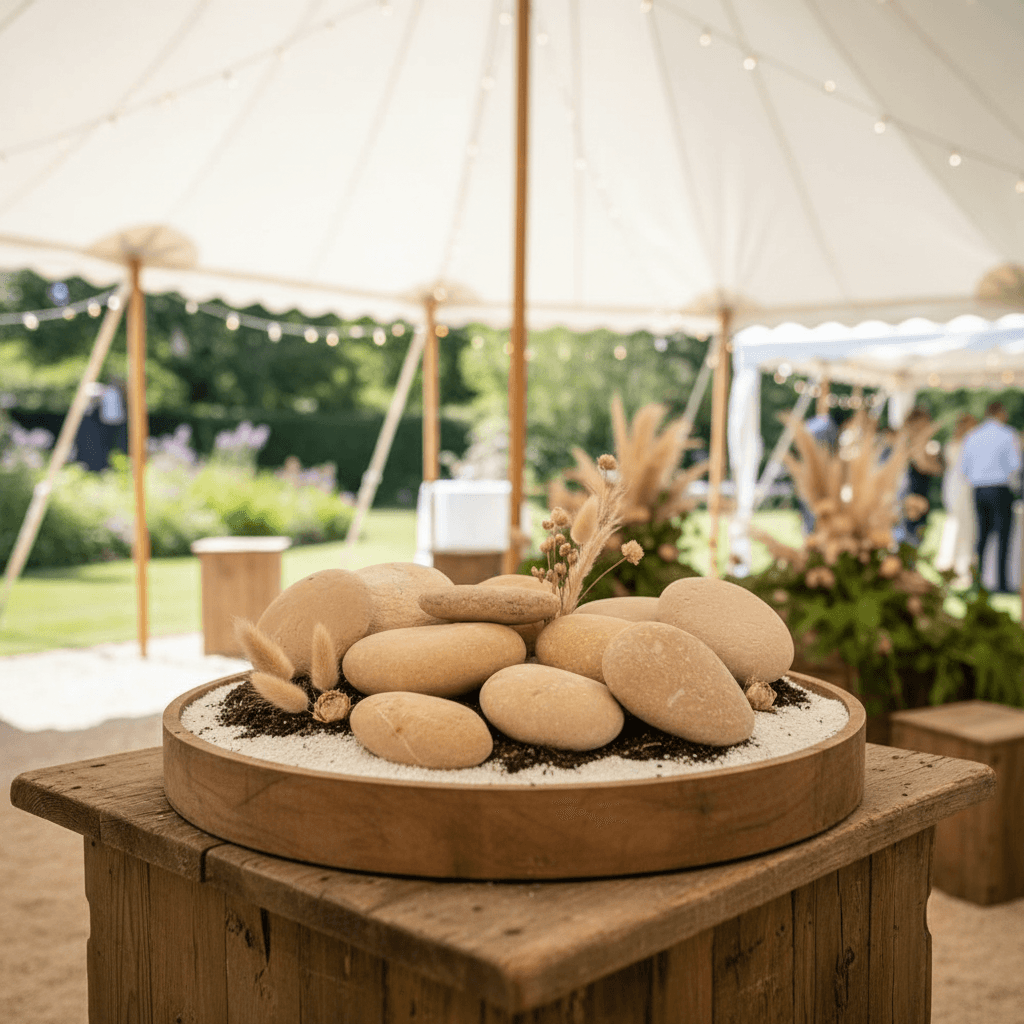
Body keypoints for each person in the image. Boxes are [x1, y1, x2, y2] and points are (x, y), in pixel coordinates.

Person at [959, 401, 1022, 594]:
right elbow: (1016, 465)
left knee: (982, 537)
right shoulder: (1008, 434)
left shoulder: (972, 436)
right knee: (1003, 538)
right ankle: (1001, 584)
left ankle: (977, 581)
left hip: (979, 490)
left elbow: (965, 468)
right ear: (1000, 413)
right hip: (1000, 490)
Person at [935, 413, 978, 588]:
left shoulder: (952, 443)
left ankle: (953, 562)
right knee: (965, 525)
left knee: (957, 522)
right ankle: (960, 565)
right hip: (963, 485)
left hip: (952, 483)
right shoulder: (970, 444)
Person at [893, 406, 943, 547]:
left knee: (912, 544)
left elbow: (934, 469)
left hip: (919, 503)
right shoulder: (900, 446)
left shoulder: (929, 449)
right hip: (901, 501)